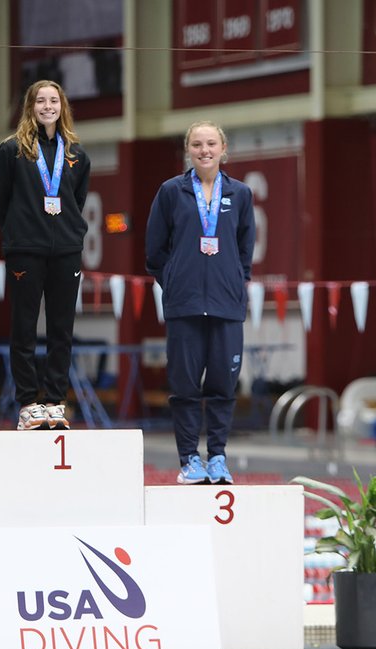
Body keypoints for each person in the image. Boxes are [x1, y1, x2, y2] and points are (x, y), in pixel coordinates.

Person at [145, 121, 254, 485]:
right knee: (186, 385)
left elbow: (244, 250)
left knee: (224, 384)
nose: (204, 150)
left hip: (226, 306)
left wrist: (236, 285)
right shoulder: (171, 192)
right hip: (185, 305)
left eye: (211, 143)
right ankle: (190, 458)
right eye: (197, 144)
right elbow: (154, 251)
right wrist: (176, 283)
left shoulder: (240, 194)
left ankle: (218, 456)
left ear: (224, 148)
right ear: (187, 150)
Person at [0, 80, 92, 430]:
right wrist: (22, 230)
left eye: (53, 100)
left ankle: (54, 401)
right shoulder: (11, 151)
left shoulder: (76, 154)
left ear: (62, 106)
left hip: (66, 250)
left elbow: (77, 202)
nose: (47, 106)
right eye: (40, 100)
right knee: (25, 328)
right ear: (29, 106)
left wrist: (66, 232)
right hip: (26, 251)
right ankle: (28, 402)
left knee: (62, 329)